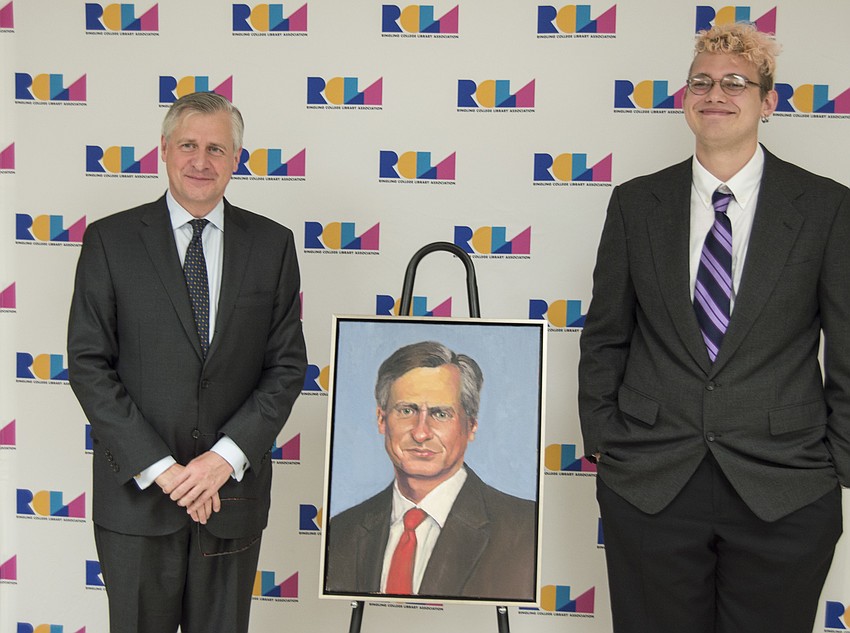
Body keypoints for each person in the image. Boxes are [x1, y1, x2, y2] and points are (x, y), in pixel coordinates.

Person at [578, 22, 850, 633]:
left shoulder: (827, 209)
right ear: (685, 99)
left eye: (735, 82)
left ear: (768, 102)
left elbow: (848, 348)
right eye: (702, 81)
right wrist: (604, 439)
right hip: (650, 483)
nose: (716, 94)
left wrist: (837, 463)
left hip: (784, 486)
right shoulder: (634, 203)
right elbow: (605, 335)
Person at [67, 92, 307, 633]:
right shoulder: (110, 241)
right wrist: (166, 472)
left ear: (237, 159)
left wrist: (222, 460)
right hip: (137, 502)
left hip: (231, 500)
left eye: (217, 149)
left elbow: (287, 366)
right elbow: (88, 363)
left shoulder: (273, 245)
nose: (202, 161)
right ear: (164, 150)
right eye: (189, 145)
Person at [324, 341, 537, 601]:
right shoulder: (344, 530)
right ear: (381, 419)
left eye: (440, 414)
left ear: (470, 426)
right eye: (406, 410)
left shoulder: (525, 530)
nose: (421, 432)